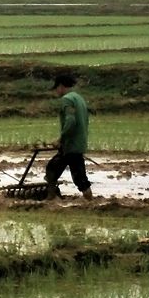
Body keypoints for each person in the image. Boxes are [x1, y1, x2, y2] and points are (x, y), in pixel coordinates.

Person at [45, 71, 93, 201]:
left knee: (76, 177)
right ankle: (53, 196)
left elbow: (71, 121)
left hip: (70, 145)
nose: (56, 91)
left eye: (56, 88)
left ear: (61, 86)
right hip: (78, 143)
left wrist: (60, 138)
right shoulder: (79, 98)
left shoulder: (67, 99)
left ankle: (51, 198)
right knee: (54, 168)